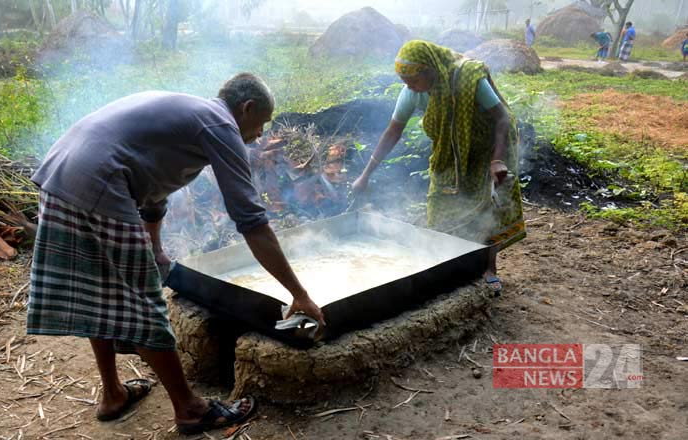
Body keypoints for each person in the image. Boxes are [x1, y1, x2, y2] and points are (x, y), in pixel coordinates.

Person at [26, 73, 325, 435]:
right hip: (97, 182)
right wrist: (299, 294)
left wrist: (154, 248)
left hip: (62, 176)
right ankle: (190, 409)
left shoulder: (191, 115)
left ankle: (112, 395)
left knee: (101, 292)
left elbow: (154, 187)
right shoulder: (220, 125)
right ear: (246, 109)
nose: (260, 134)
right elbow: (250, 220)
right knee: (141, 303)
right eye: (261, 123)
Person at [352, 40, 525, 293]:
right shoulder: (412, 92)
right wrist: (365, 175)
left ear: (430, 70)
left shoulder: (468, 78)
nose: (410, 87)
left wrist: (497, 159)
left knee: (486, 211)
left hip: (485, 153)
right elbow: (393, 132)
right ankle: (446, 267)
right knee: (439, 208)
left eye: (413, 80)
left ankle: (489, 269)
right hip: (448, 156)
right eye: (405, 81)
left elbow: (502, 117)